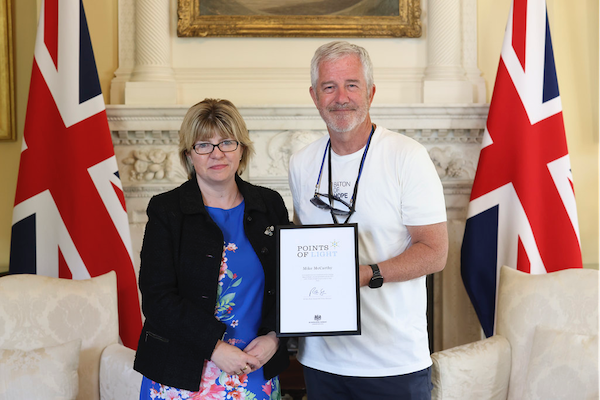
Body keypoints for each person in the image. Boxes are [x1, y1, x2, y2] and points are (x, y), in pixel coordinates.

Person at [288, 41, 448, 399]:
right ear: (315, 96)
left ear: (371, 92)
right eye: (329, 87)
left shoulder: (407, 157)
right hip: (321, 360)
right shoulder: (301, 164)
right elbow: (303, 245)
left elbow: (435, 252)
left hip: (393, 363)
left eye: (352, 85)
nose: (340, 97)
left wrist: (364, 274)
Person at [134, 98, 290, 399]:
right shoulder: (167, 210)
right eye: (204, 145)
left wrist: (275, 337)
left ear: (242, 148)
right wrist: (215, 348)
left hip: (255, 366)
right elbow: (157, 299)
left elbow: (290, 283)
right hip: (181, 373)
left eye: (227, 143)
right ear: (189, 155)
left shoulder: (269, 205)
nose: (217, 154)